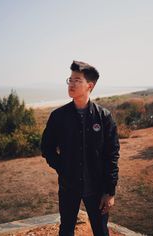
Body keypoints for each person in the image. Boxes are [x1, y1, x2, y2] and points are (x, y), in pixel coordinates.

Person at [41, 60, 120, 236]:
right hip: (69, 187)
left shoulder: (104, 117)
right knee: (66, 229)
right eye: (70, 79)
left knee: (100, 230)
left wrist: (110, 191)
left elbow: (112, 155)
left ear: (89, 86)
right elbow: (46, 147)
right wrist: (62, 167)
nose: (71, 83)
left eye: (77, 80)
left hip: (97, 188)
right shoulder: (58, 116)